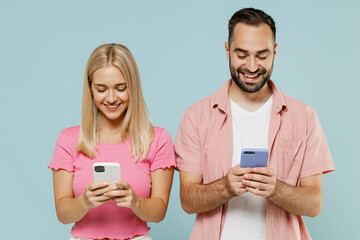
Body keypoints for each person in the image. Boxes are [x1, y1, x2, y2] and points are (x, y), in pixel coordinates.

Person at [174, 8, 335, 240]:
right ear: (227, 50)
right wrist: (225, 187)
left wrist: (276, 189)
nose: (251, 67)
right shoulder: (195, 117)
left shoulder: (305, 116)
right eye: (242, 55)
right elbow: (187, 200)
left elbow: (314, 204)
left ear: (275, 52)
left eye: (262, 55)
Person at [48, 44, 176, 240]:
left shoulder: (157, 139)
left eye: (121, 88)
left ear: (133, 87)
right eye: (101, 89)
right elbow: (63, 214)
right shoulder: (68, 139)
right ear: (90, 89)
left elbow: (159, 212)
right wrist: (84, 201)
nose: (111, 98)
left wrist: (135, 201)